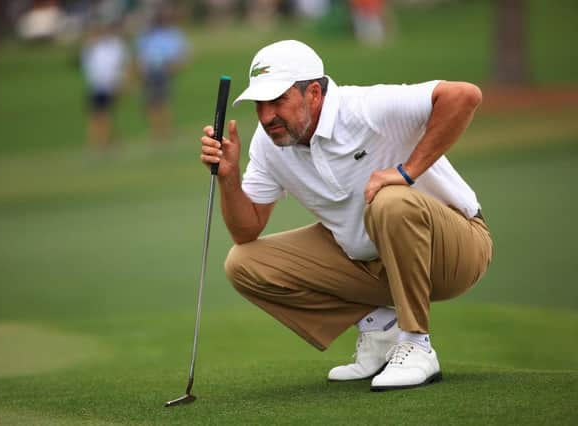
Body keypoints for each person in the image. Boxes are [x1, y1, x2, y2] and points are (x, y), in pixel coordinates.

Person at [199, 40, 492, 391]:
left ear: (314, 94)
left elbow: (464, 95)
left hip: (453, 252)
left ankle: (416, 345)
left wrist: (407, 171)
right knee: (243, 263)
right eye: (260, 103)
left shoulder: (365, 107)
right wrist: (230, 179)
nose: (266, 116)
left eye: (278, 101)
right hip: (370, 262)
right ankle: (380, 329)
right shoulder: (268, 143)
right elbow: (246, 231)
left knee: (391, 201)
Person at [136, 3, 190, 143]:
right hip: (150, 72)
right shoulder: (147, 35)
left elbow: (182, 54)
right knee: (152, 103)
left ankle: (165, 130)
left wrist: (173, 66)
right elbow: (141, 54)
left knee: (162, 102)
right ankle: (157, 131)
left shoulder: (170, 33)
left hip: (163, 71)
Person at [80, 23, 129, 153]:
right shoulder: (91, 48)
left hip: (110, 85)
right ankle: (100, 142)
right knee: (96, 115)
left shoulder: (113, 46)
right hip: (96, 85)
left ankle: (105, 142)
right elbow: (88, 67)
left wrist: (120, 82)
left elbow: (120, 65)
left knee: (105, 114)